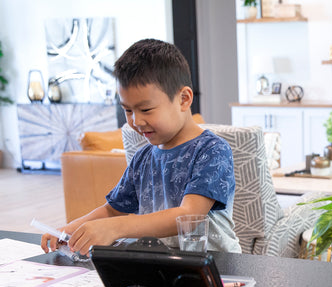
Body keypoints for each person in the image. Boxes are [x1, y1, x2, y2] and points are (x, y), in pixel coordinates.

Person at [41, 38, 241, 255]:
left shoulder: (212, 150)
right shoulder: (143, 157)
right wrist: (68, 230)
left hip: (217, 266)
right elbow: (112, 210)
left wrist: (116, 229)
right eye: (128, 110)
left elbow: (189, 215)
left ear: (184, 99)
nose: (136, 121)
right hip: (160, 262)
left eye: (145, 110)